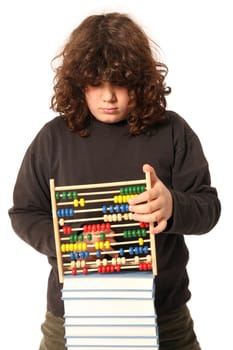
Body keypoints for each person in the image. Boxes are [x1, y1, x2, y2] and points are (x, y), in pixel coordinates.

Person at [8, 12, 221, 350]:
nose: (108, 96)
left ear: (140, 81)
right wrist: (68, 245)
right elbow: (24, 212)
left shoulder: (173, 131)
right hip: (72, 315)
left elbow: (209, 208)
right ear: (79, 84)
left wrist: (173, 206)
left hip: (163, 315)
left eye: (120, 82)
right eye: (96, 82)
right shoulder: (53, 139)